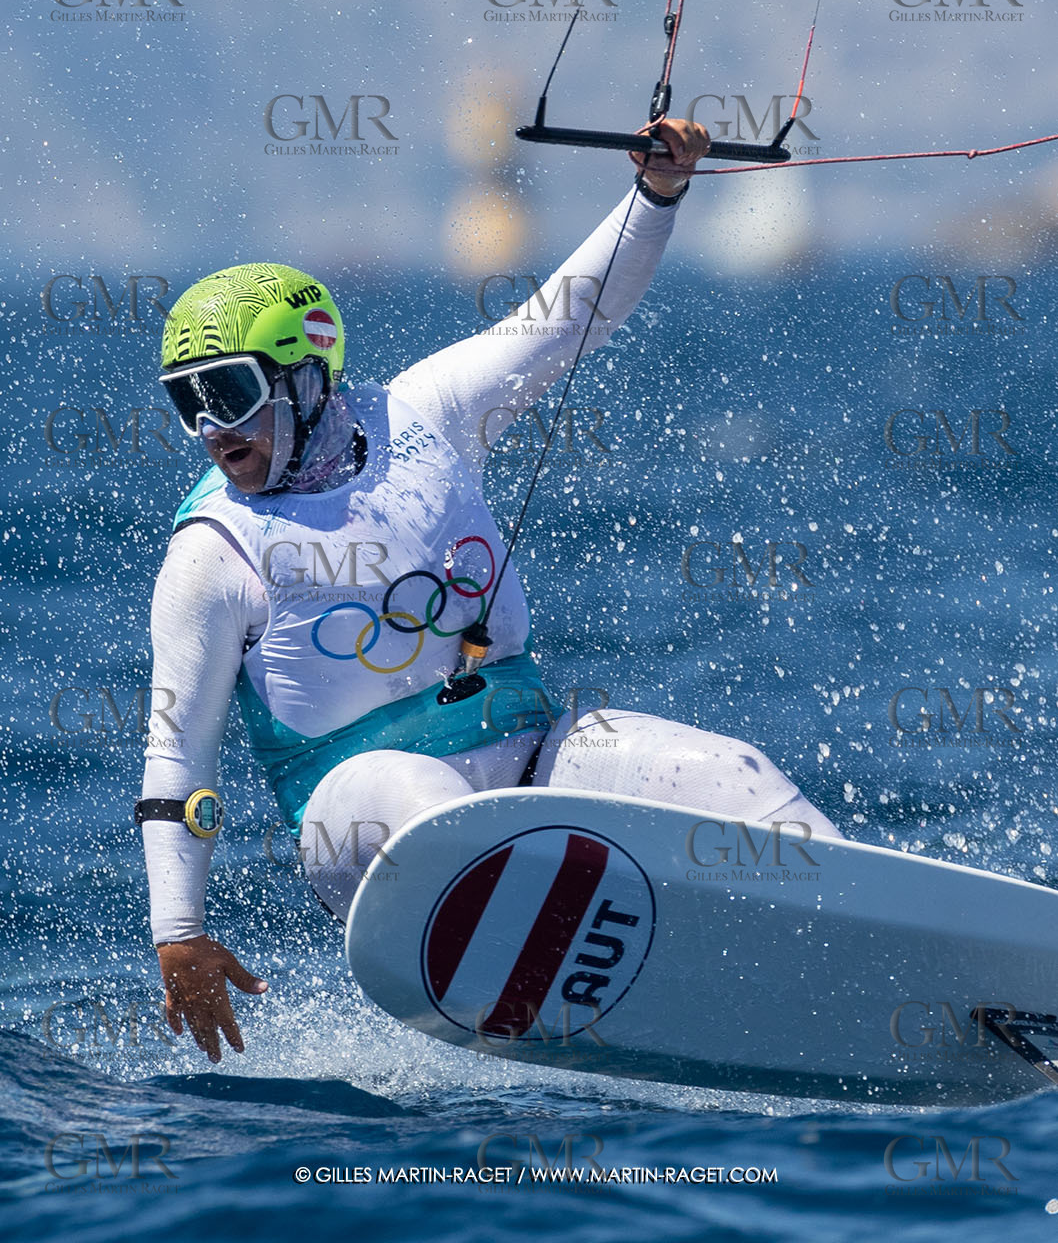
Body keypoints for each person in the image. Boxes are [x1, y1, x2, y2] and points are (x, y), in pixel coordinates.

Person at [139, 120, 840, 1063]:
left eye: (227, 392)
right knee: (441, 814)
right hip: (367, 819)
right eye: (188, 403)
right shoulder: (212, 553)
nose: (210, 431)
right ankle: (632, 984)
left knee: (732, 777)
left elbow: (569, 315)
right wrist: (178, 932)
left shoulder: (426, 416)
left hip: (530, 767)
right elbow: (178, 756)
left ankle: (878, 968)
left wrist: (659, 194)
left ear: (307, 375)